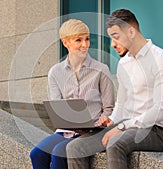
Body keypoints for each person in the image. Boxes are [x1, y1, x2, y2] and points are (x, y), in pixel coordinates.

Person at [66, 9, 163, 169]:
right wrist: (111, 120)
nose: (112, 44)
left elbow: (160, 111)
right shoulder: (124, 64)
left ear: (131, 32)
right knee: (75, 147)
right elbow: (122, 103)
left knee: (115, 142)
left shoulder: (161, 60)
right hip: (124, 126)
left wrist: (121, 127)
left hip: (153, 131)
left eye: (116, 37)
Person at [29, 19, 115, 169]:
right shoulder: (55, 72)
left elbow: (109, 108)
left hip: (92, 131)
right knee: (36, 154)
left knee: (58, 153)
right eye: (78, 40)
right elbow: (57, 107)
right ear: (66, 43)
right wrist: (69, 122)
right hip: (66, 131)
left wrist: (103, 118)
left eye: (87, 39)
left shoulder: (101, 69)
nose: (85, 44)